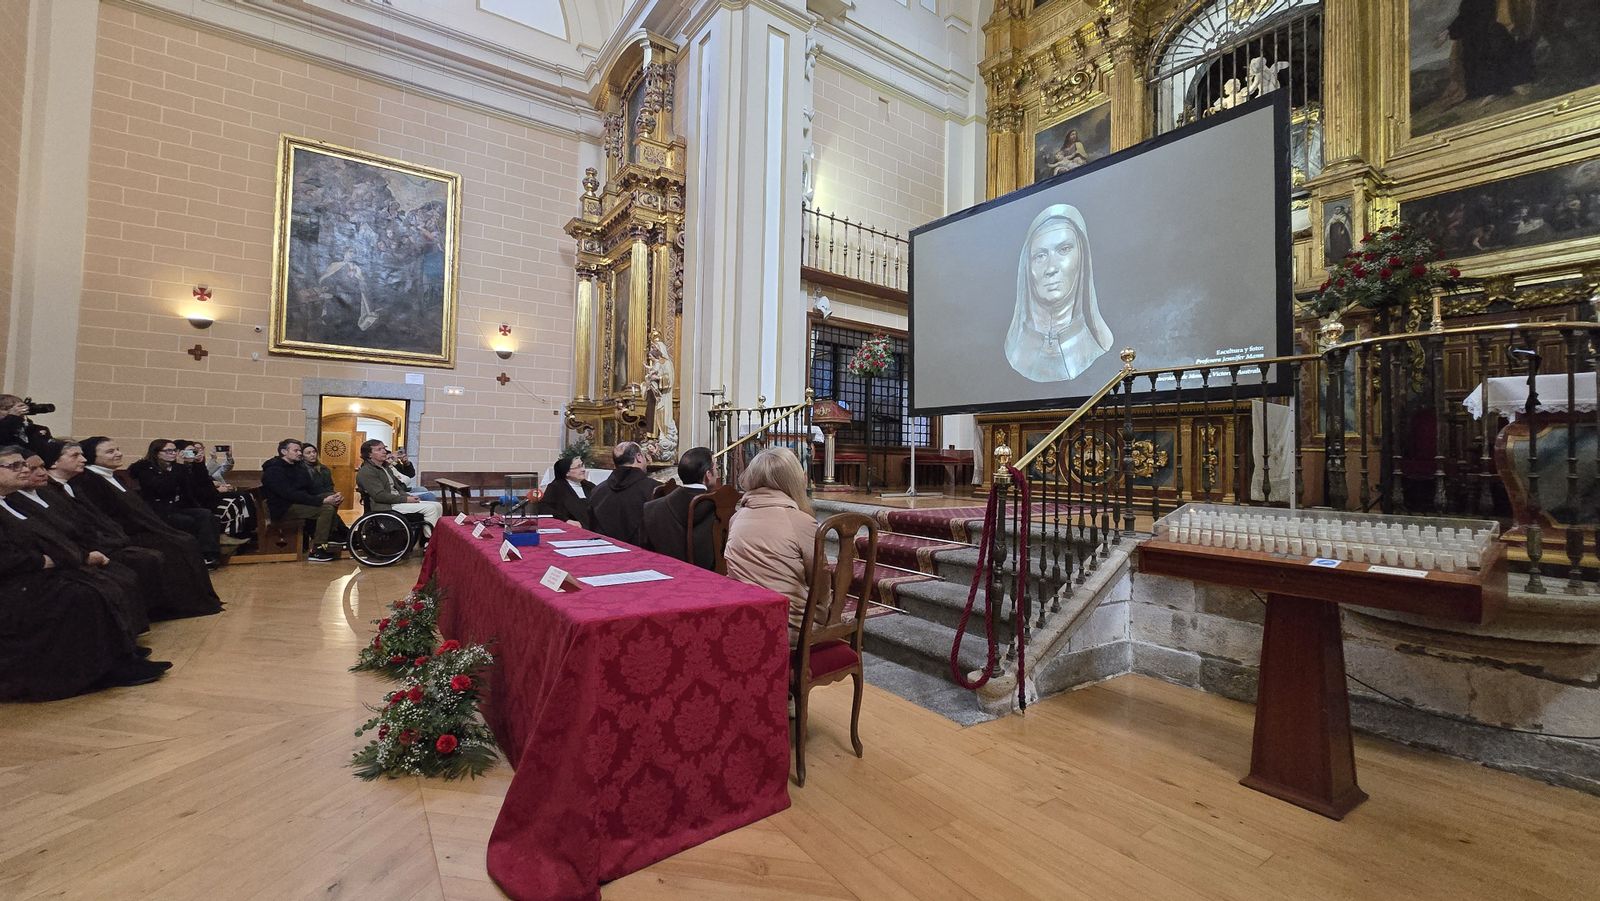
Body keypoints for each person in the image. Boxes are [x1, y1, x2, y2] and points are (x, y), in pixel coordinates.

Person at [0, 445, 171, 700]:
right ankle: (97, 669)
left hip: (35, 573)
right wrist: (44, 560)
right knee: (82, 594)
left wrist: (61, 557)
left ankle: (117, 658)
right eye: (15, 466)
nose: (24, 470)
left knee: (98, 583)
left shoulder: (11, 502)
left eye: (23, 464)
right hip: (13, 585)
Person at [66, 437, 223, 618]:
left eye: (117, 449)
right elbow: (105, 516)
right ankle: (172, 605)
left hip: (141, 526)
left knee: (185, 540)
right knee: (175, 545)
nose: (118, 453)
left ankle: (197, 598)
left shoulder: (113, 476)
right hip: (124, 533)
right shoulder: (88, 480)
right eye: (110, 451)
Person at [1004, 203, 1112, 383]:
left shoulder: (1095, 348)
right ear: (1027, 267)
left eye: (1064, 250)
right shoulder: (1015, 351)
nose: (1051, 268)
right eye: (1040, 256)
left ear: (1082, 257)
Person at [724, 447, 817, 646]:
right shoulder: (801, 521)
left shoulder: (737, 517)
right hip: (787, 626)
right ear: (793, 479)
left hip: (743, 620)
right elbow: (819, 577)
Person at [128, 439, 225, 565]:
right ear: (156, 453)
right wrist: (178, 467)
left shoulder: (177, 468)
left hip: (177, 506)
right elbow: (163, 488)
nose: (173, 453)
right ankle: (192, 556)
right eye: (168, 451)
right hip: (158, 509)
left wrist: (198, 464)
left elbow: (195, 485)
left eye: (174, 450)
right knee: (187, 520)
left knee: (206, 514)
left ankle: (209, 555)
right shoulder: (146, 468)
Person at [260, 438, 343, 563]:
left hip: (298, 502)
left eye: (300, 450)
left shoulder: (297, 467)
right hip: (284, 507)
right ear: (284, 451)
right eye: (296, 450)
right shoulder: (274, 470)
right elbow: (289, 494)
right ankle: (317, 548)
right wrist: (321, 501)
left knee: (331, 498)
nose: (299, 453)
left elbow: (308, 489)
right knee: (326, 509)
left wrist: (331, 496)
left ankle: (325, 535)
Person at [638, 446, 718, 567]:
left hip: (663, 576)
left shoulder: (651, 509)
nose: (717, 472)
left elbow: (645, 552)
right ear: (708, 475)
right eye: (716, 468)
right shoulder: (721, 508)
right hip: (709, 580)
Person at [355, 440, 442, 535]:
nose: (384, 451)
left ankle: (431, 539)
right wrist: (405, 499)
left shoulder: (385, 467)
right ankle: (429, 541)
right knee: (431, 509)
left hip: (395, 500)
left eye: (384, 448)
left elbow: (398, 487)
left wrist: (408, 496)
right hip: (386, 505)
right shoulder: (367, 471)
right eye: (379, 449)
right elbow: (379, 495)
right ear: (369, 454)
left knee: (437, 505)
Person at [590, 441, 658, 545]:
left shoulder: (597, 490)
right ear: (639, 457)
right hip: (642, 555)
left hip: (605, 553)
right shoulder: (655, 489)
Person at [536, 455, 595, 529]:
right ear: (567, 472)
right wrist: (566, 520)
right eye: (578, 467)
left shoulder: (589, 486)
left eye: (582, 465)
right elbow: (543, 508)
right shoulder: (556, 487)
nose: (583, 469)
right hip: (573, 529)